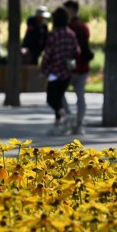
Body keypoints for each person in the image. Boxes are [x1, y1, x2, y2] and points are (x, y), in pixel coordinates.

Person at [41, 7, 80, 136]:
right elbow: (77, 51)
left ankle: (65, 115)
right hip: (67, 73)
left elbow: (48, 53)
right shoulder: (71, 33)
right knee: (58, 97)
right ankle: (57, 125)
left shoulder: (54, 34)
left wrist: (43, 68)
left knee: (51, 98)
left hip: (54, 73)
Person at [62, 0, 94, 135]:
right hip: (83, 66)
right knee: (80, 96)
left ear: (71, 11)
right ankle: (79, 123)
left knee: (59, 93)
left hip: (70, 67)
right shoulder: (84, 27)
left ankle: (69, 116)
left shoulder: (68, 28)